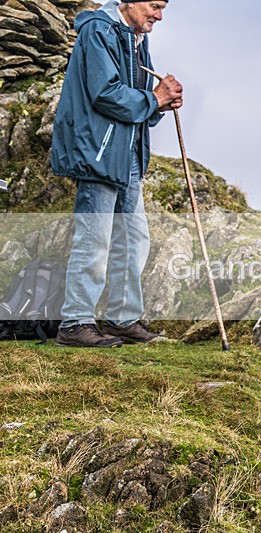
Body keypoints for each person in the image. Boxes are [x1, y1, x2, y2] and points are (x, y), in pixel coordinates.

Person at [51, 0, 182, 347]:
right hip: (99, 151)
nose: (159, 15)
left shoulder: (137, 39)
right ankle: (75, 322)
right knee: (94, 238)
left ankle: (122, 318)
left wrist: (161, 103)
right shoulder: (98, 30)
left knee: (134, 239)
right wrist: (154, 98)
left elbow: (142, 102)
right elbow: (104, 93)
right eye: (155, 5)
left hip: (128, 154)